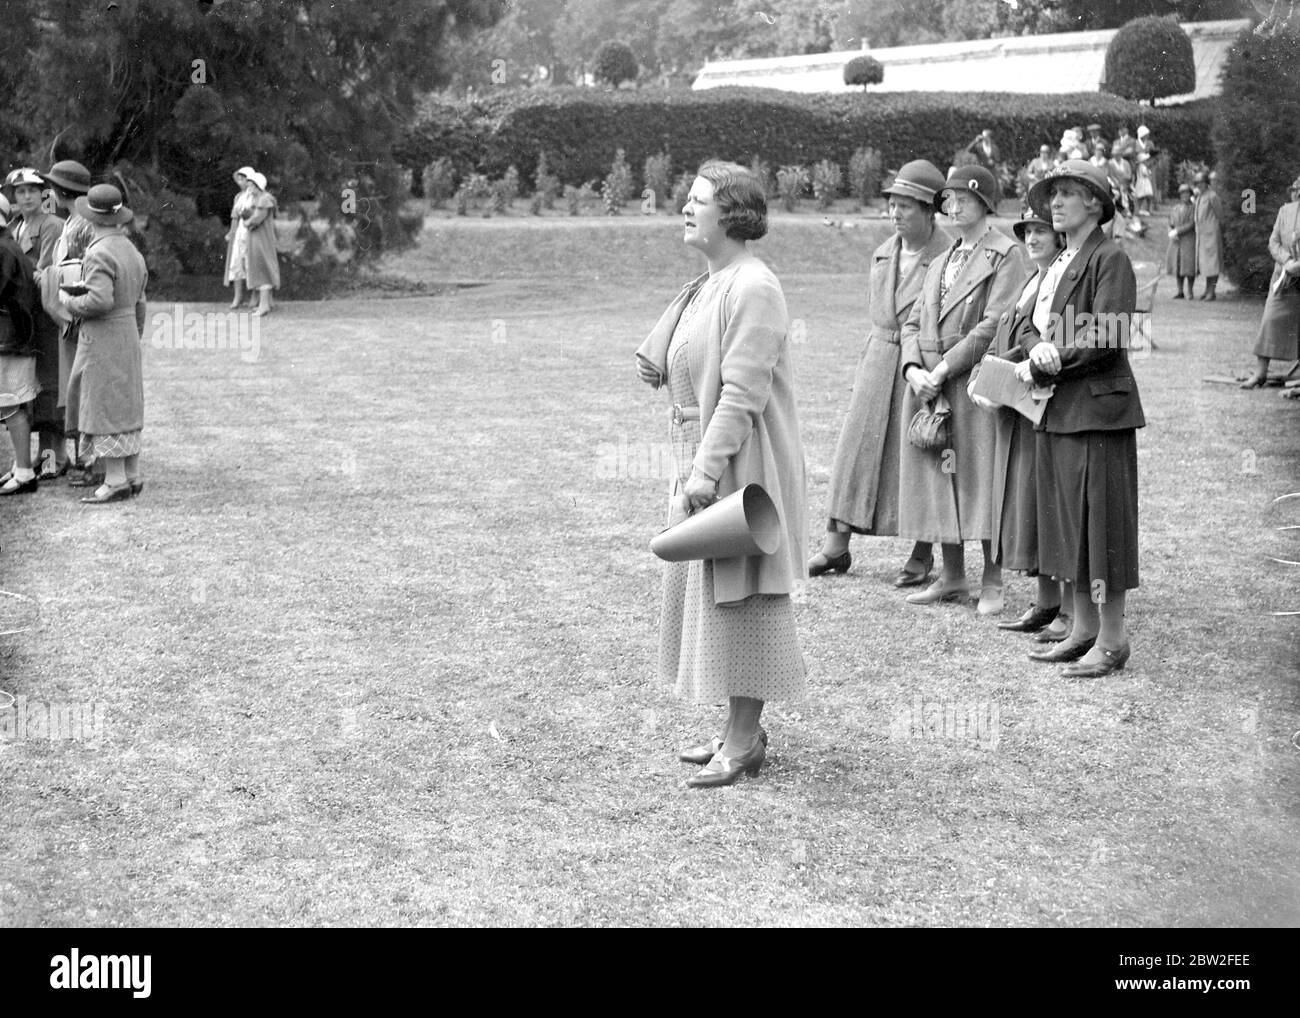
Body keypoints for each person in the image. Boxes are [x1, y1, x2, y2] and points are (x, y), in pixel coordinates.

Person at [635, 161, 806, 789]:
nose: (685, 206)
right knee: (718, 597)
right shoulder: (712, 281)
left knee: (745, 597)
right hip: (704, 456)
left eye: (699, 199)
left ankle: (743, 740)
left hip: (739, 463)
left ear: (731, 216)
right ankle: (739, 731)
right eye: (688, 196)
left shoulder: (754, 285)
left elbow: (742, 395)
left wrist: (703, 476)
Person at [1018, 160, 1145, 677]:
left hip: (1098, 412)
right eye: (1053, 193)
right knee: (1073, 525)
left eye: (1068, 192)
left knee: (1103, 526)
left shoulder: (1109, 257)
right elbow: (1026, 322)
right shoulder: (1058, 262)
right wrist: (1037, 349)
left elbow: (1109, 334)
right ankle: (1083, 629)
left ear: (1095, 203)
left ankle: (1112, 640)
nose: (1055, 202)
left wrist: (1054, 357)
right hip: (1060, 409)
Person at [810, 160, 950, 585]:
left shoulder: (947, 257)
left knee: (920, 452)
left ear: (930, 210)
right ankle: (836, 546)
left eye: (907, 205)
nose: (896, 213)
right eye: (893, 204)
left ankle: (923, 550)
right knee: (854, 449)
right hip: (878, 357)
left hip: (922, 362)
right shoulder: (884, 251)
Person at [898, 166, 1028, 615]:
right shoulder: (941, 259)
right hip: (931, 386)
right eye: (948, 200)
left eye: (963, 200)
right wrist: (913, 368)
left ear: (985, 204)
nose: (953, 207)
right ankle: (952, 577)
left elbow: (997, 323)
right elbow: (912, 323)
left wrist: (947, 367)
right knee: (941, 477)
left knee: (982, 478)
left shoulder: (1007, 254)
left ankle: (993, 580)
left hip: (972, 384)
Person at [968, 204, 1073, 640]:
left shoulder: (1063, 280)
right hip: (1017, 404)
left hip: (1040, 402)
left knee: (1046, 504)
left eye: (1041, 231)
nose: (1032, 238)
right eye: (1027, 230)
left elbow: (1048, 342)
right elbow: (1009, 333)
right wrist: (985, 373)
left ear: (1060, 236)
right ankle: (1046, 601)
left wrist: (996, 372)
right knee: (1028, 506)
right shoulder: (1034, 277)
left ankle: (1065, 606)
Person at [59, 184, 147, 504]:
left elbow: (99, 301)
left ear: (90, 219)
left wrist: (68, 301)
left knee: (104, 405)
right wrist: (135, 333)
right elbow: (140, 302)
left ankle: (114, 481)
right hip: (127, 334)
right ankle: (132, 475)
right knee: (126, 403)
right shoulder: (131, 249)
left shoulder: (98, 251)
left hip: (104, 336)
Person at [35, 159, 98, 488]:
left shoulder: (80, 223)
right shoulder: (73, 219)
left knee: (83, 386)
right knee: (74, 387)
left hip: (77, 312)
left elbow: (80, 271)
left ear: (61, 191)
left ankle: (92, 460)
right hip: (69, 311)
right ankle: (84, 457)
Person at [6, 167, 66, 480]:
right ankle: (45, 458)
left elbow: (45, 274)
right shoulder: (15, 226)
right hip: (25, 319)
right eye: (20, 191)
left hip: (45, 315)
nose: (26, 196)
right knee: (33, 388)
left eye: (32, 190)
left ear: (43, 193)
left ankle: (56, 457)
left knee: (50, 385)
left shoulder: (52, 225)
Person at [0, 196, 43, 496]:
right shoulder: (10, 245)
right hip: (15, 337)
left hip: (8, 339)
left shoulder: (2, 249)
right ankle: (20, 466)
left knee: (10, 404)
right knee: (11, 403)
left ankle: (25, 472)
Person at [1241, 173, 1300, 389]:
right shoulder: (1284, 211)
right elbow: (1273, 242)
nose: (1296, 192)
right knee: (1270, 319)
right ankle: (1260, 373)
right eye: (1294, 188)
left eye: (1298, 189)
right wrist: (1287, 262)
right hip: (1284, 279)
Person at [223, 167, 280, 317]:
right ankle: (263, 304)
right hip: (256, 239)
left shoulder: (264, 199)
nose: (250, 187)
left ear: (258, 186)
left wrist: (247, 221)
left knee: (263, 269)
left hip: (262, 240)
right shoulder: (256, 199)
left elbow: (257, 219)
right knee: (259, 269)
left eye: (252, 185)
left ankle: (264, 305)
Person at [1193, 171, 1223, 301]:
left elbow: (1219, 214)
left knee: (1213, 264)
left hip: (1211, 234)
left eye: (1202, 182)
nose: (1199, 185)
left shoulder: (1212, 196)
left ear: (1206, 183)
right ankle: (1207, 290)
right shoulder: (1200, 196)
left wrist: (1212, 227)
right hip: (1202, 236)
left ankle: (1212, 291)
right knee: (1205, 265)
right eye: (1197, 183)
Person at [1166, 183, 1197, 299]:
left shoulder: (1193, 208)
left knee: (1189, 267)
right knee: (1178, 265)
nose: (1185, 195)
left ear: (1190, 194)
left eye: (1187, 193)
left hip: (1189, 240)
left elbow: (1191, 224)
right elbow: (1169, 222)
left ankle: (1190, 291)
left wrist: (1177, 231)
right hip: (1176, 242)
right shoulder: (1175, 209)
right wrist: (1170, 232)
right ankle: (1180, 291)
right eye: (1182, 193)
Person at [1132, 152, 1154, 217]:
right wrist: (1148, 172)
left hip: (1143, 182)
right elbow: (1145, 173)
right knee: (1143, 197)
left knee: (1146, 197)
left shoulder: (1141, 166)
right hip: (1143, 183)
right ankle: (1143, 210)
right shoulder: (1142, 166)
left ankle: (1147, 210)